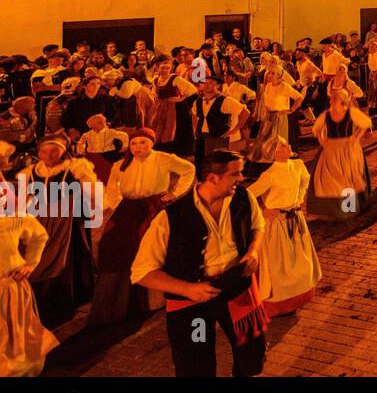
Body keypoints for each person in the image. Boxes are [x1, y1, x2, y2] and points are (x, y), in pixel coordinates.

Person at [131, 150, 268, 377]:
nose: (242, 179)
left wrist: (253, 250)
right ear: (213, 178)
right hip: (193, 301)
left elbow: (258, 226)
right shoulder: (171, 216)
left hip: (238, 287)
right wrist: (188, 289)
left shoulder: (244, 197)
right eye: (236, 174)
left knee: (252, 356)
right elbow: (141, 272)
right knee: (196, 364)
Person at [89, 128, 195, 325]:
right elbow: (113, 190)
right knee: (113, 245)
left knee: (148, 245)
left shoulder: (164, 158)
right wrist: (109, 208)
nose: (138, 147)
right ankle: (119, 297)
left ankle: (152, 297)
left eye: (143, 143)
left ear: (152, 143)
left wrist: (174, 193)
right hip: (128, 209)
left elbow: (188, 170)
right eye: (134, 143)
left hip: (152, 206)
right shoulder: (120, 164)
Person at [23, 136, 99, 327]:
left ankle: (69, 293)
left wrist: (91, 208)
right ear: (39, 153)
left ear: (63, 150)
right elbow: (28, 196)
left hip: (67, 216)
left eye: (54, 151)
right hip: (41, 215)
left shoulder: (74, 167)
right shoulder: (31, 171)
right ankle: (42, 292)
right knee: (41, 252)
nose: (49, 155)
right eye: (44, 151)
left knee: (67, 254)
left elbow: (90, 190)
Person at [0, 149, 59, 376]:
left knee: (13, 333)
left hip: (9, 286)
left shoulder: (15, 218)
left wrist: (30, 264)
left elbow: (39, 236)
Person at [247, 137, 320, 316]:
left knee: (299, 261)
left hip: (295, 219)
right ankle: (279, 304)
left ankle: (298, 296)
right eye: (282, 145)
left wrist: (299, 199)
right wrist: (263, 210)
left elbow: (305, 180)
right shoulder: (269, 174)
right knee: (279, 266)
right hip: (277, 224)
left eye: (287, 143)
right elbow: (248, 195)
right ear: (275, 152)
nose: (288, 146)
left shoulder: (297, 165)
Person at [309, 89, 372, 218]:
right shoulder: (326, 115)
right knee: (333, 180)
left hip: (348, 148)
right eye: (331, 99)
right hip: (331, 148)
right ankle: (336, 209)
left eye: (334, 99)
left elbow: (366, 123)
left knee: (348, 178)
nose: (331, 101)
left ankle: (350, 209)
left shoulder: (351, 112)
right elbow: (316, 129)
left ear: (341, 100)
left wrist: (356, 137)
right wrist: (322, 140)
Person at [193, 77, 250, 176]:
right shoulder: (198, 101)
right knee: (200, 164)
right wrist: (194, 129)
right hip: (201, 137)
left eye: (210, 83)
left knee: (216, 166)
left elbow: (245, 112)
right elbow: (194, 114)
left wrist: (234, 130)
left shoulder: (225, 100)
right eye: (204, 83)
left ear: (218, 85)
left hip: (217, 138)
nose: (206, 85)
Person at [75, 113, 129, 183]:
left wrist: (124, 146)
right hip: (93, 156)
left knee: (108, 172)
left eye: (103, 122)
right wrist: (81, 151)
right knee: (94, 173)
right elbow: (81, 143)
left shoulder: (110, 132)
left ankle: (110, 183)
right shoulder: (87, 134)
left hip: (109, 155)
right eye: (99, 123)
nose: (104, 124)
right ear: (92, 125)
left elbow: (124, 136)